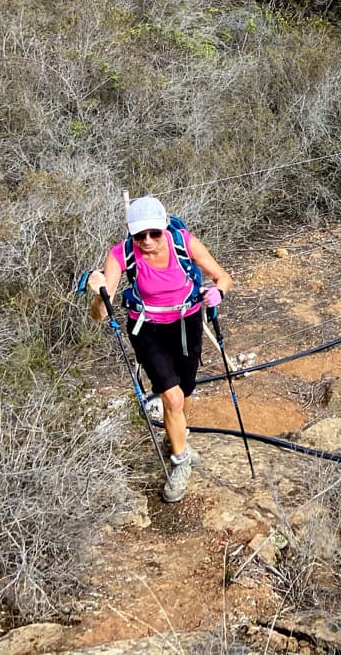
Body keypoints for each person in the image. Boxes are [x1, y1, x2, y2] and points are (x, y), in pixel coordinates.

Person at [85, 196, 234, 503]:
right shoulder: (120, 255)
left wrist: (217, 292)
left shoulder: (185, 243)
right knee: (172, 396)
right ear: (130, 232)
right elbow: (101, 316)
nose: (147, 241)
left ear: (165, 226)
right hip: (148, 330)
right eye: (139, 235)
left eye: (154, 233)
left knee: (186, 392)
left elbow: (223, 277)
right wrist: (100, 292)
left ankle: (177, 438)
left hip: (187, 323)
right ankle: (180, 462)